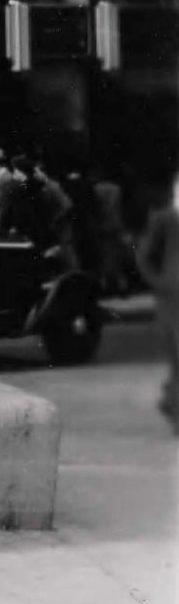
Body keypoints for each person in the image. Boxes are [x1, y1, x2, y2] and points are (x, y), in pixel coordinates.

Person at [135, 175, 179, 431]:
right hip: (173, 296)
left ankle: (170, 400)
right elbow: (144, 256)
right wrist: (159, 282)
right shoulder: (164, 219)